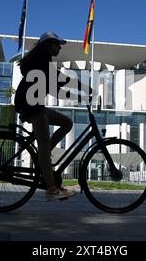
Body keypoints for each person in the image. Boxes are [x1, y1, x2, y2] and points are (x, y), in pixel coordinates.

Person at [15, 31, 92, 201]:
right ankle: (51, 188)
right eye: (57, 44)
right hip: (30, 104)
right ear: (48, 44)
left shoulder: (43, 60)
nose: (59, 47)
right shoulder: (41, 60)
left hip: (33, 103)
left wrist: (81, 90)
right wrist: (82, 90)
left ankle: (45, 157)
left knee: (67, 123)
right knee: (43, 144)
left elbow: (55, 83)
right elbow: (56, 83)